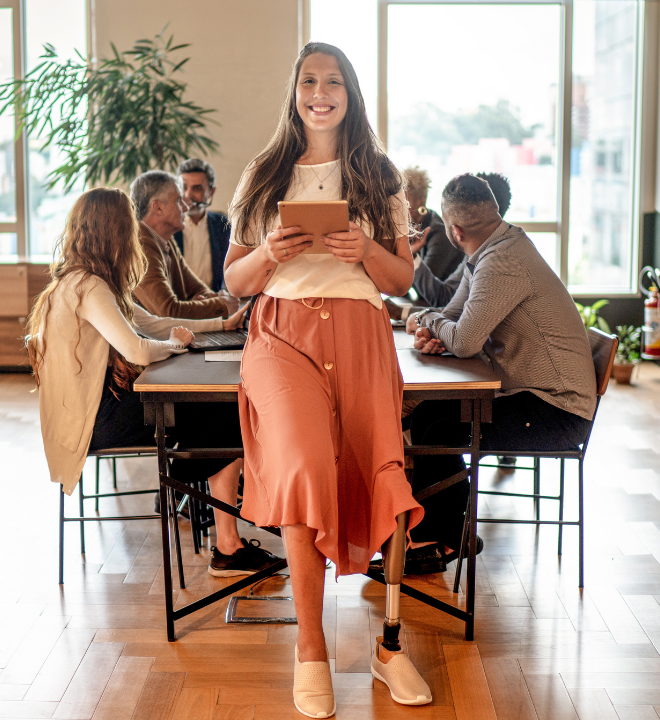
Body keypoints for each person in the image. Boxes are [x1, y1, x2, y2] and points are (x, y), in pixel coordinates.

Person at [225, 42, 432, 717]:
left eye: (333, 81)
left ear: (351, 92)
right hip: (282, 333)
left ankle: (389, 648)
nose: (321, 92)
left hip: (362, 331)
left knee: (385, 475)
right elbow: (232, 279)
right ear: (294, 92)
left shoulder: (378, 173)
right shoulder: (264, 171)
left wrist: (365, 250)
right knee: (306, 467)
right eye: (309, 81)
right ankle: (309, 649)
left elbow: (403, 280)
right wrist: (267, 254)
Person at [29, 188, 278, 579]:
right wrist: (174, 346)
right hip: (94, 423)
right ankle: (225, 539)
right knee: (226, 416)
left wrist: (219, 325)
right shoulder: (89, 287)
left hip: (89, 414)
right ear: (114, 232)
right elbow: (141, 350)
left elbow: (151, 323)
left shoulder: (88, 281)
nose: (134, 239)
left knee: (217, 414)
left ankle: (210, 508)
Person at [405, 174, 597, 567]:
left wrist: (427, 320)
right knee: (426, 415)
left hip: (555, 411)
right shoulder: (495, 250)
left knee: (439, 432)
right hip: (531, 396)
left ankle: (445, 537)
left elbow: (463, 341)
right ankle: (438, 536)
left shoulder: (501, 263)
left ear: (454, 230)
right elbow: (453, 318)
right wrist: (436, 327)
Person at [131, 170, 240, 320]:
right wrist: (221, 305)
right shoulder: (139, 245)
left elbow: (196, 289)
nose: (186, 207)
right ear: (158, 207)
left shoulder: (166, 239)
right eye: (178, 200)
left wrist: (209, 299)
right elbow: (169, 311)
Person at [411, 171, 511, 309]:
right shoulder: (482, 247)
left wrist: (405, 313)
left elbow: (460, 318)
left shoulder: (496, 257)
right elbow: (448, 301)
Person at [174, 158, 231, 292]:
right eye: (183, 188)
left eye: (197, 188)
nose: (188, 195)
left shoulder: (223, 225)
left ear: (211, 192)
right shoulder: (167, 226)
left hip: (213, 303)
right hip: (176, 306)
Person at [402, 166, 461, 282]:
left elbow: (425, 288)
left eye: (404, 200)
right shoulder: (409, 228)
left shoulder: (440, 233)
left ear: (421, 201)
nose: (398, 206)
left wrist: (408, 255)